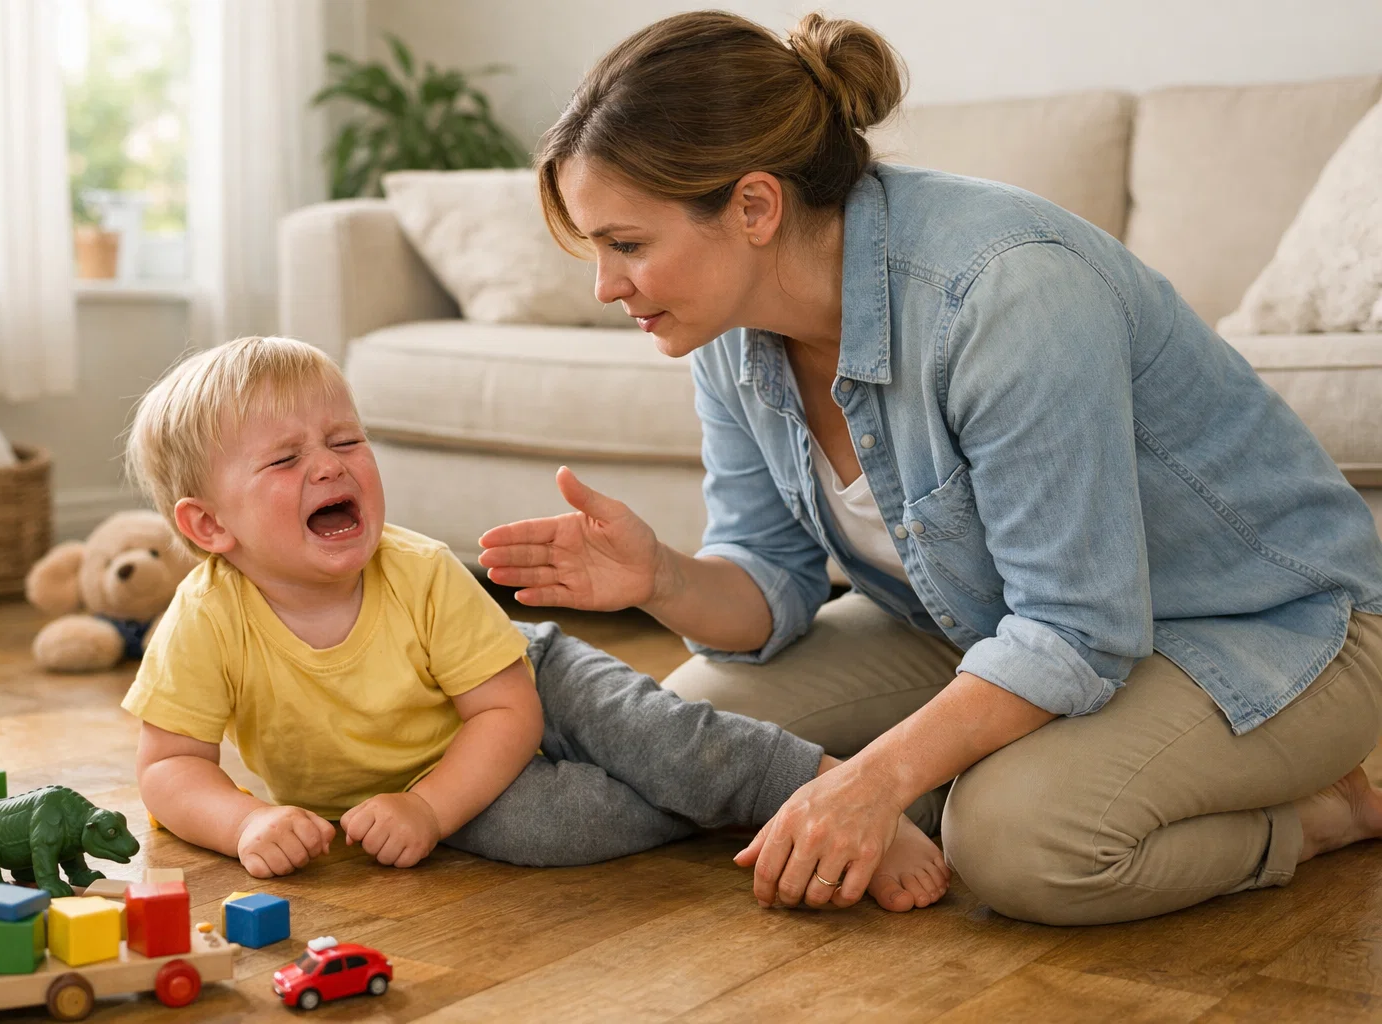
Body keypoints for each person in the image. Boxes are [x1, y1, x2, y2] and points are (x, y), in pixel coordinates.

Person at [478, 10, 1382, 924]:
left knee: (1012, 842)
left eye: (626, 244)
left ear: (755, 207)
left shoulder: (1004, 293)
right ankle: (983, 773)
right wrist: (662, 577)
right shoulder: (725, 329)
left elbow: (1078, 628)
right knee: (701, 711)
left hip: (1277, 631)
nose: (605, 286)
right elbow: (769, 581)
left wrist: (874, 781)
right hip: (984, 623)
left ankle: (1317, 815)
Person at [119, 335, 843, 880]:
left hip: (529, 682)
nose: (331, 465)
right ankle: (738, 804)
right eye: (284, 460)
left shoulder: (422, 570)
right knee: (551, 833)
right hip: (426, 782)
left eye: (346, 440)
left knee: (667, 742)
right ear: (209, 527)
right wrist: (248, 823)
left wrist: (431, 811)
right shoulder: (205, 618)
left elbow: (506, 711)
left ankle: (837, 793)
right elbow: (170, 768)